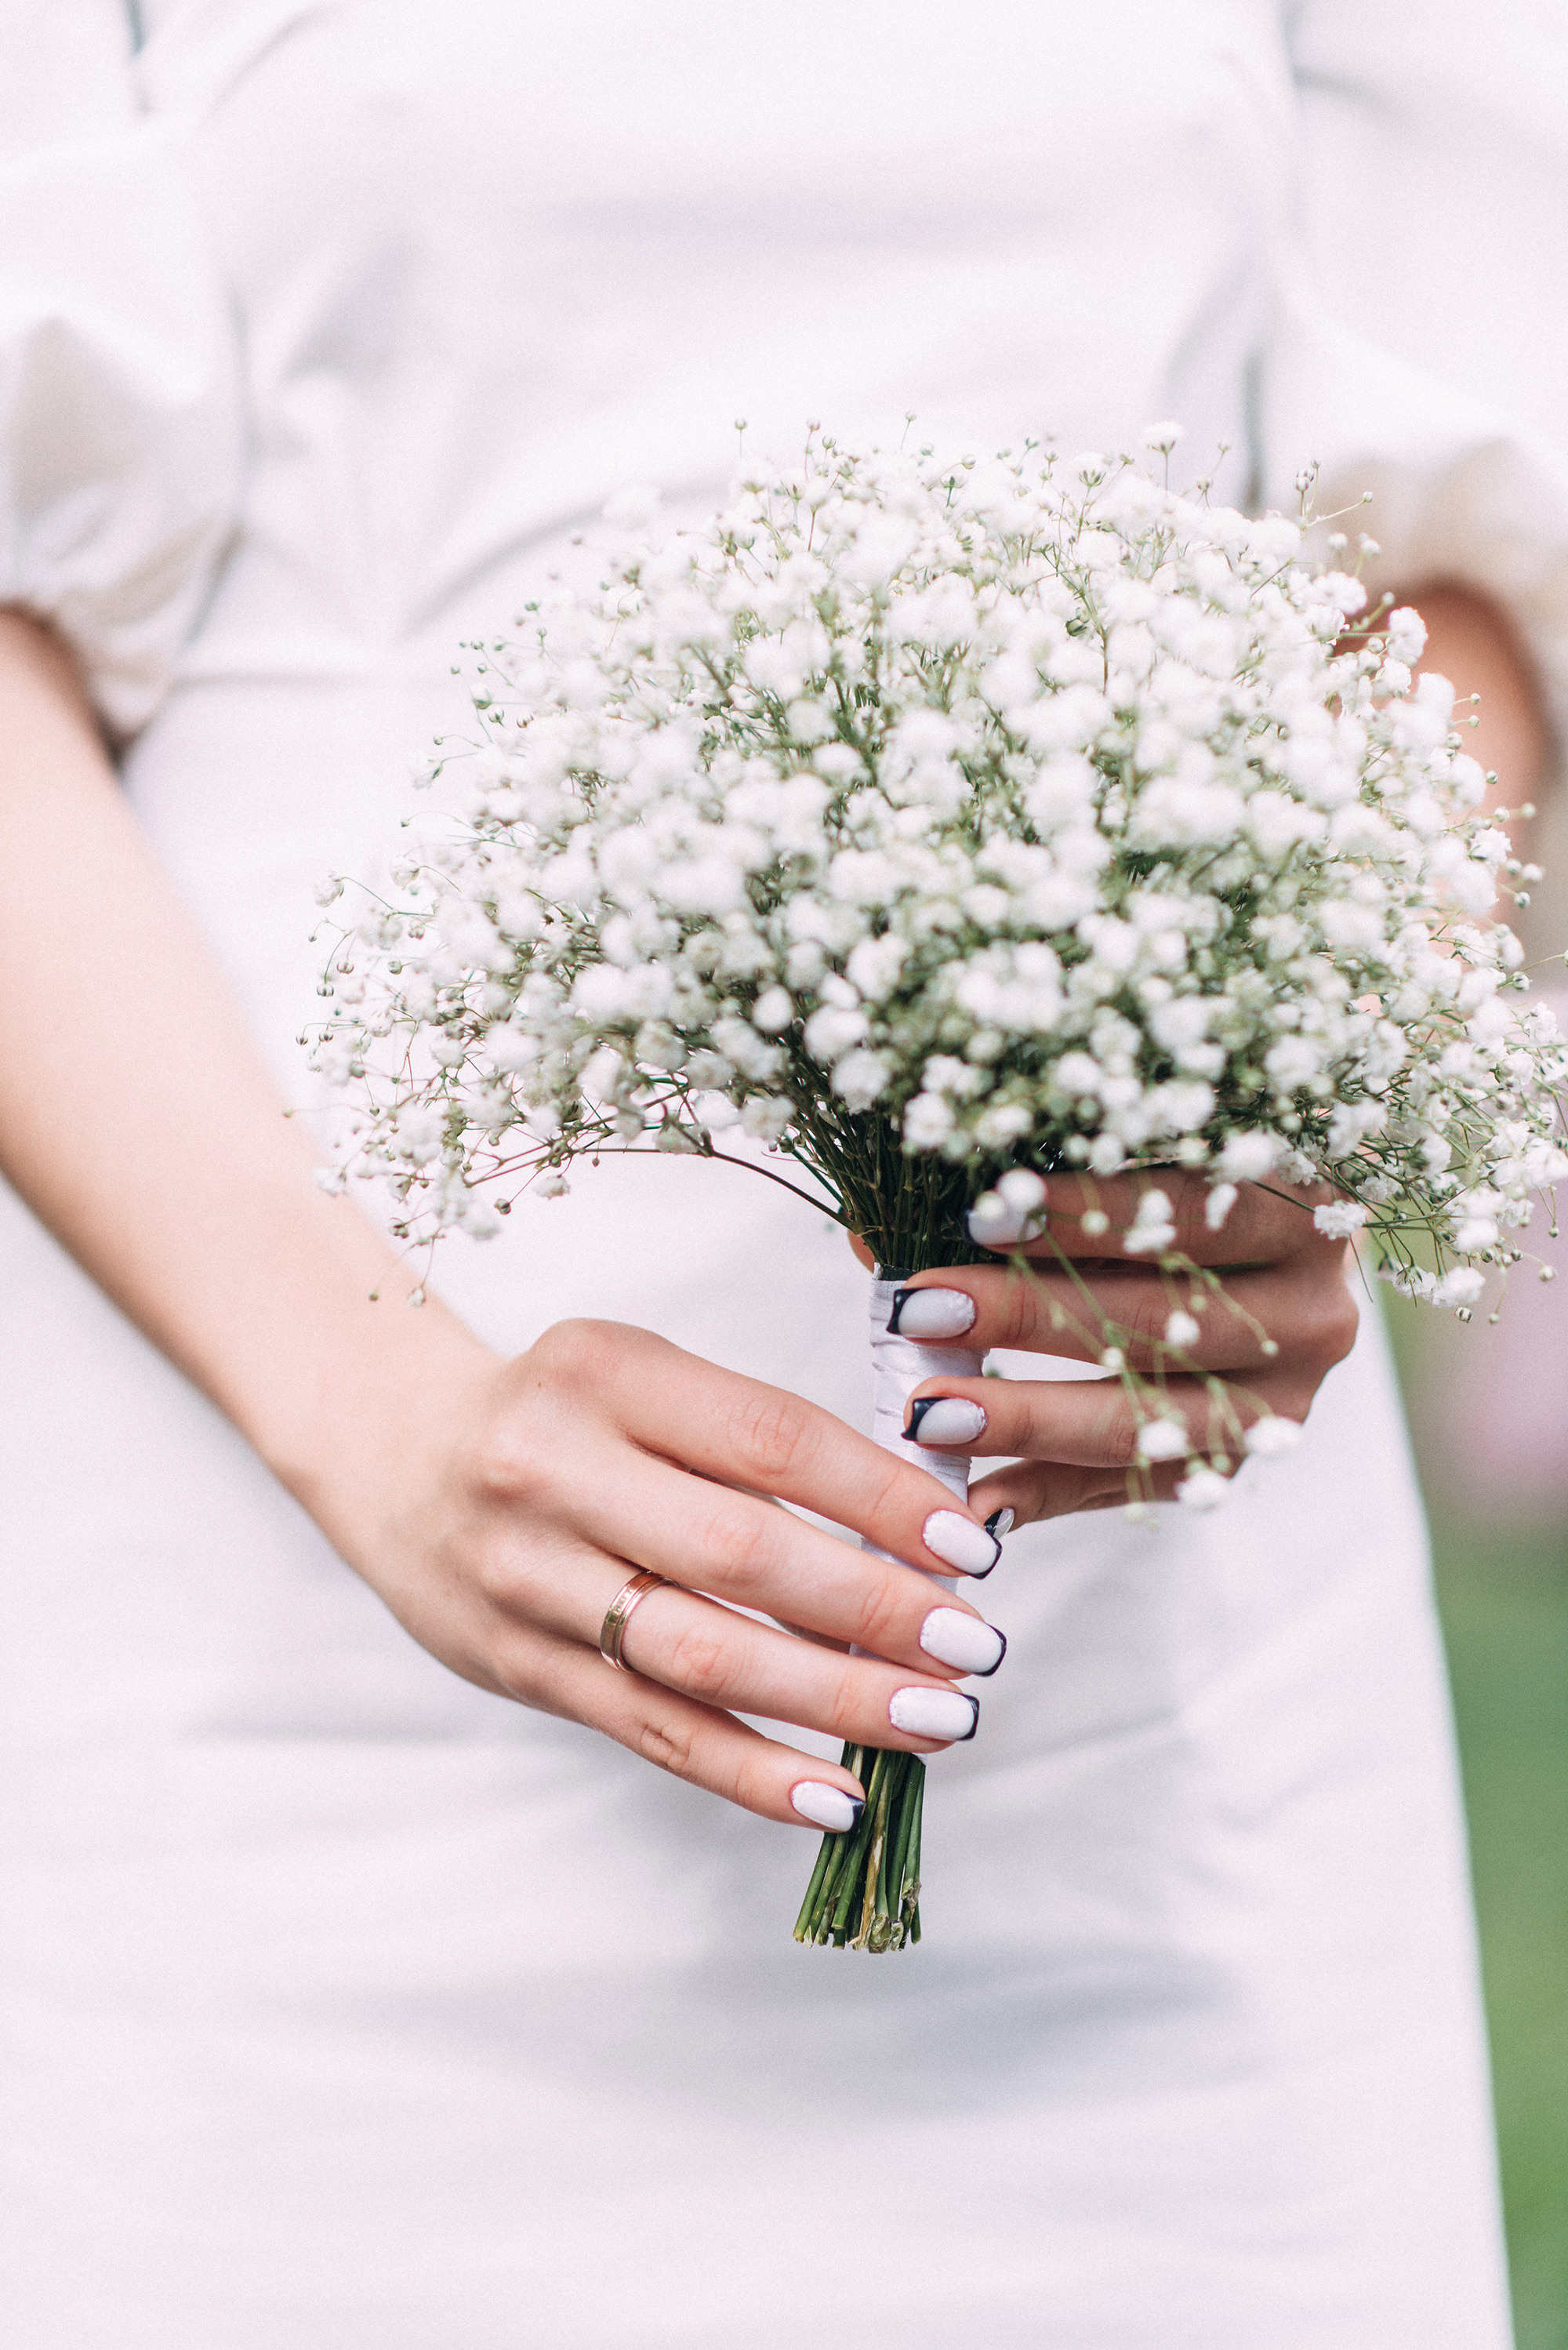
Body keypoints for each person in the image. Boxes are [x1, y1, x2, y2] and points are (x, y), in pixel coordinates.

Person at [0, 4, 1562, 2342]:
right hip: (276, 1684)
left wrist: (1302, 1087)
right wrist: (387, 1424)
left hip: (1155, 1776)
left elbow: (1466, 510)